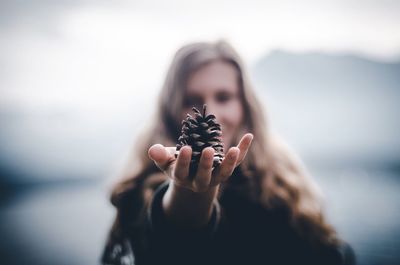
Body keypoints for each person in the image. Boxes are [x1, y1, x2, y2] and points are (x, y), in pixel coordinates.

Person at [101, 40, 355, 265]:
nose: (210, 113)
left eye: (223, 97)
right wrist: (188, 192)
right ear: (170, 111)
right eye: (191, 100)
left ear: (245, 106)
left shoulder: (284, 187)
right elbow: (174, 240)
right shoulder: (140, 191)